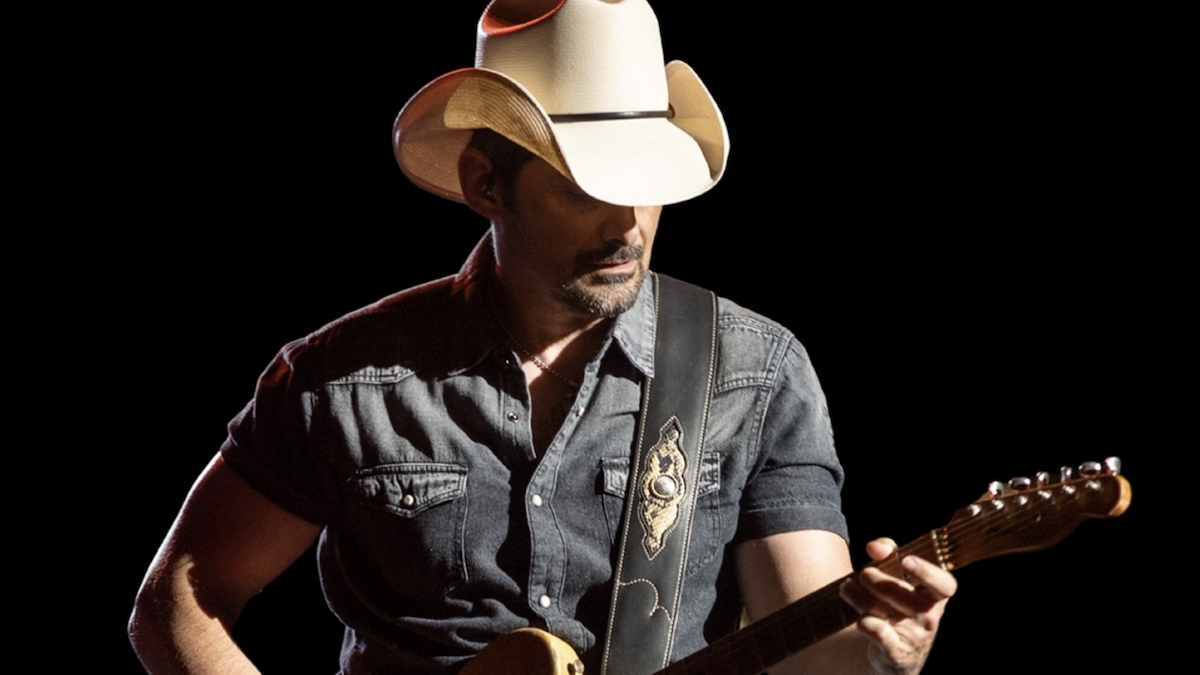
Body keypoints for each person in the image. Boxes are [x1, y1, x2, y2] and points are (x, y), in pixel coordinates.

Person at [130, 1, 956, 673]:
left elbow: (811, 645)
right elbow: (178, 601)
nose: (628, 225)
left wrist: (885, 650)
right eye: (589, 188)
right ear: (487, 183)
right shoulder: (343, 381)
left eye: (647, 185)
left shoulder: (753, 370)